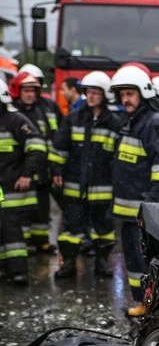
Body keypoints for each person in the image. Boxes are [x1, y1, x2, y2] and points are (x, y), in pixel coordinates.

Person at [109, 64, 159, 316]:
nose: (125, 99)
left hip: (146, 213)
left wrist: (148, 206)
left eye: (130, 94)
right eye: (123, 94)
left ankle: (153, 306)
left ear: (143, 93)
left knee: (148, 261)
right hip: (132, 213)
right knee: (135, 261)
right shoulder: (132, 121)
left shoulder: (154, 123)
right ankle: (143, 302)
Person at [49, 70, 121, 278]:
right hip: (74, 184)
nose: (90, 96)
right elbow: (60, 148)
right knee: (71, 228)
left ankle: (102, 263)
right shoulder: (73, 119)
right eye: (88, 92)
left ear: (105, 95)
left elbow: (117, 155)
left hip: (103, 187)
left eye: (95, 93)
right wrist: (56, 171)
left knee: (104, 229)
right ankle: (68, 264)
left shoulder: (114, 122)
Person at [0, 78, 47, 286]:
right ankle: (5, 269)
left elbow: (37, 148)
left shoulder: (15, 120)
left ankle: (19, 272)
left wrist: (27, 174)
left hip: (13, 187)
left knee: (12, 230)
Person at [10, 71, 59, 253]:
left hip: (43, 169)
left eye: (33, 90)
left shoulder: (42, 110)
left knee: (41, 208)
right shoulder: (14, 114)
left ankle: (41, 241)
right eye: (26, 91)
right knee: (24, 209)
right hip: (21, 171)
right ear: (18, 92)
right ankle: (25, 243)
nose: (30, 94)